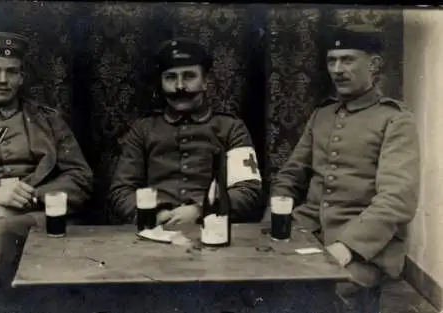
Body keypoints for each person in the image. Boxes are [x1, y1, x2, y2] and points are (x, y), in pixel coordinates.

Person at [272, 24, 419, 312]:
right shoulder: (323, 114)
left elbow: (396, 200)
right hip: (308, 231)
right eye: (331, 60)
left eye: (347, 59)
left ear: (374, 64)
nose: (337, 69)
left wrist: (347, 247)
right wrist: (276, 222)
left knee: (321, 297)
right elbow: (290, 175)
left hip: (366, 248)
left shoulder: (395, 121)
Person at [0, 32, 93, 313]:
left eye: (12, 72)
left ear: (21, 79)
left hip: (42, 219)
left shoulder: (49, 121)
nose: (3, 79)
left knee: (2, 226)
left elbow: (80, 178)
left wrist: (29, 198)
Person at [108, 37, 263, 226]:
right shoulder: (143, 129)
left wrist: (201, 210)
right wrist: (153, 214)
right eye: (170, 77)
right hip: (156, 228)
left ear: (205, 82)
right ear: (161, 83)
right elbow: (122, 190)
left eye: (189, 76)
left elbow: (248, 190)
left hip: (213, 227)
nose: (180, 86)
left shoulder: (231, 127)